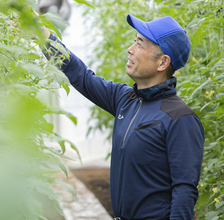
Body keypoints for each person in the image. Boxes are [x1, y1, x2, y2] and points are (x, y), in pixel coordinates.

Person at [41, 14, 204, 219]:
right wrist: (42, 35)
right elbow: (79, 73)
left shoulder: (180, 118)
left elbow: (184, 191)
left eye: (140, 43)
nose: (130, 49)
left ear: (162, 62)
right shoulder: (124, 99)